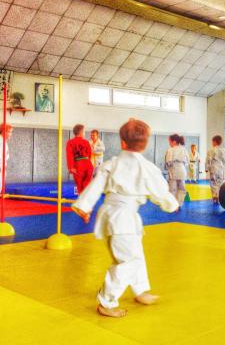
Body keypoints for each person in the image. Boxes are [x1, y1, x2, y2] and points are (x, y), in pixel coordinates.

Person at [72, 119, 178, 318]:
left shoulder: (111, 164)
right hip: (123, 220)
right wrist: (172, 205)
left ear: (122, 142)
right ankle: (106, 300)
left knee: (135, 255)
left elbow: (95, 187)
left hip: (112, 215)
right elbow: (161, 193)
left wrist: (84, 206)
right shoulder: (147, 168)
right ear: (146, 144)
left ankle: (140, 290)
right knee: (128, 261)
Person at [66, 124, 93, 194]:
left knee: (79, 185)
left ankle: (82, 197)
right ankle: (85, 195)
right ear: (80, 132)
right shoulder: (86, 142)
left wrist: (71, 167)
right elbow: (90, 154)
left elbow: (70, 155)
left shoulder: (70, 142)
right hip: (88, 165)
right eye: (84, 132)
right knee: (86, 184)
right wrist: (87, 161)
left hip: (78, 165)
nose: (84, 133)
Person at [165, 134, 189, 208]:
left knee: (173, 189)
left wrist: (167, 168)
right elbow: (187, 162)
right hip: (182, 170)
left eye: (170, 141)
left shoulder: (170, 150)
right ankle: (179, 204)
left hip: (174, 170)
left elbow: (168, 162)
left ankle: (173, 205)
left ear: (174, 142)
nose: (169, 143)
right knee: (182, 188)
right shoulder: (184, 149)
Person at [205, 135, 225, 204]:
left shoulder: (211, 150)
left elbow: (208, 160)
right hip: (221, 168)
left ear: (214, 142)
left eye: (212, 141)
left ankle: (215, 197)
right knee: (219, 183)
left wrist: (207, 168)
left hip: (214, 167)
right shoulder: (223, 150)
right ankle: (218, 196)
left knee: (213, 182)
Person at [0, 124, 13, 192]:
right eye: (9, 132)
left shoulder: (4, 142)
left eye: (11, 132)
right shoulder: (1, 141)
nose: (10, 134)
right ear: (3, 131)